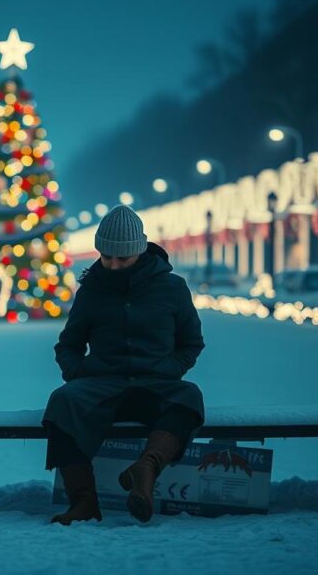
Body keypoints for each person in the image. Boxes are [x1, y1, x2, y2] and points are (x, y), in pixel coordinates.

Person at [42, 205, 205, 525]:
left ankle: (146, 469)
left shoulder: (172, 288)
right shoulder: (92, 289)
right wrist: (77, 374)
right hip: (101, 385)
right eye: (106, 257)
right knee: (61, 403)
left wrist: (169, 370)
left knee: (189, 398)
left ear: (140, 252)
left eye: (122, 258)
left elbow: (191, 343)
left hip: (156, 384)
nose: (113, 265)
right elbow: (69, 345)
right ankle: (84, 503)